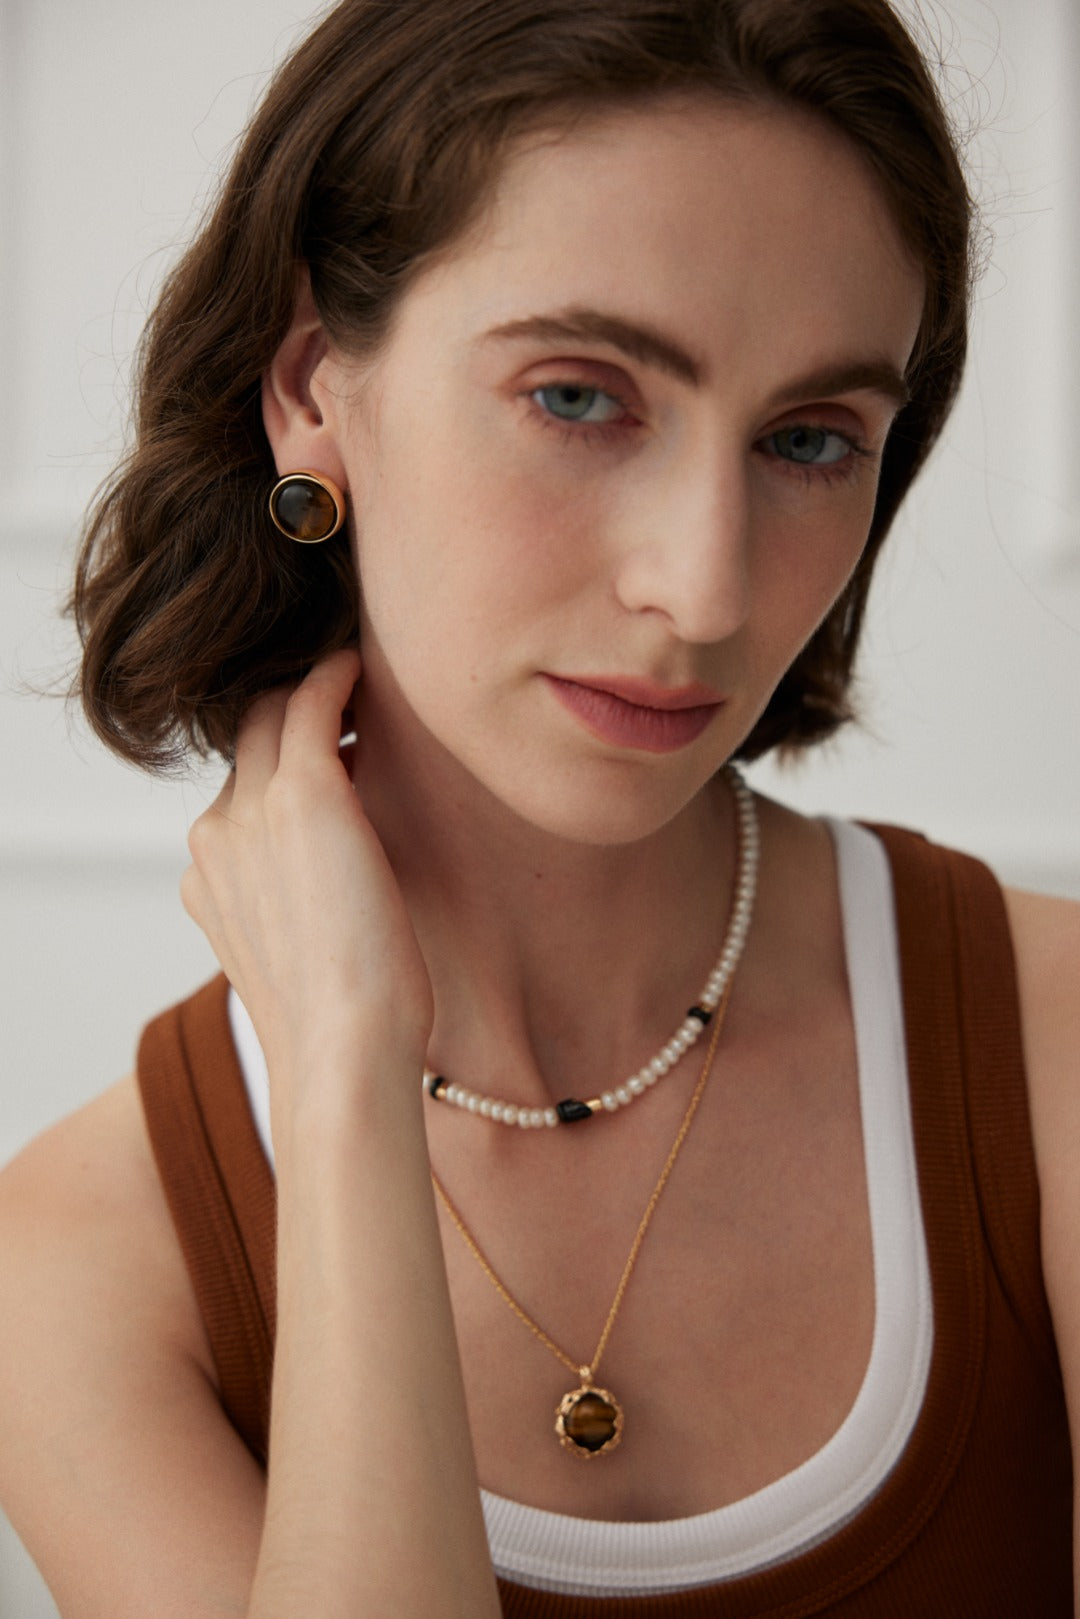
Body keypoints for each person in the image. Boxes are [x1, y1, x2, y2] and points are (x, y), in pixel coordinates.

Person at [0, 0, 1076, 1613]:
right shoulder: (78, 1267)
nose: (702, 587)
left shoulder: (1050, 1046)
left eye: (808, 439)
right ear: (311, 391)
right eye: (580, 398)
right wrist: (349, 1082)